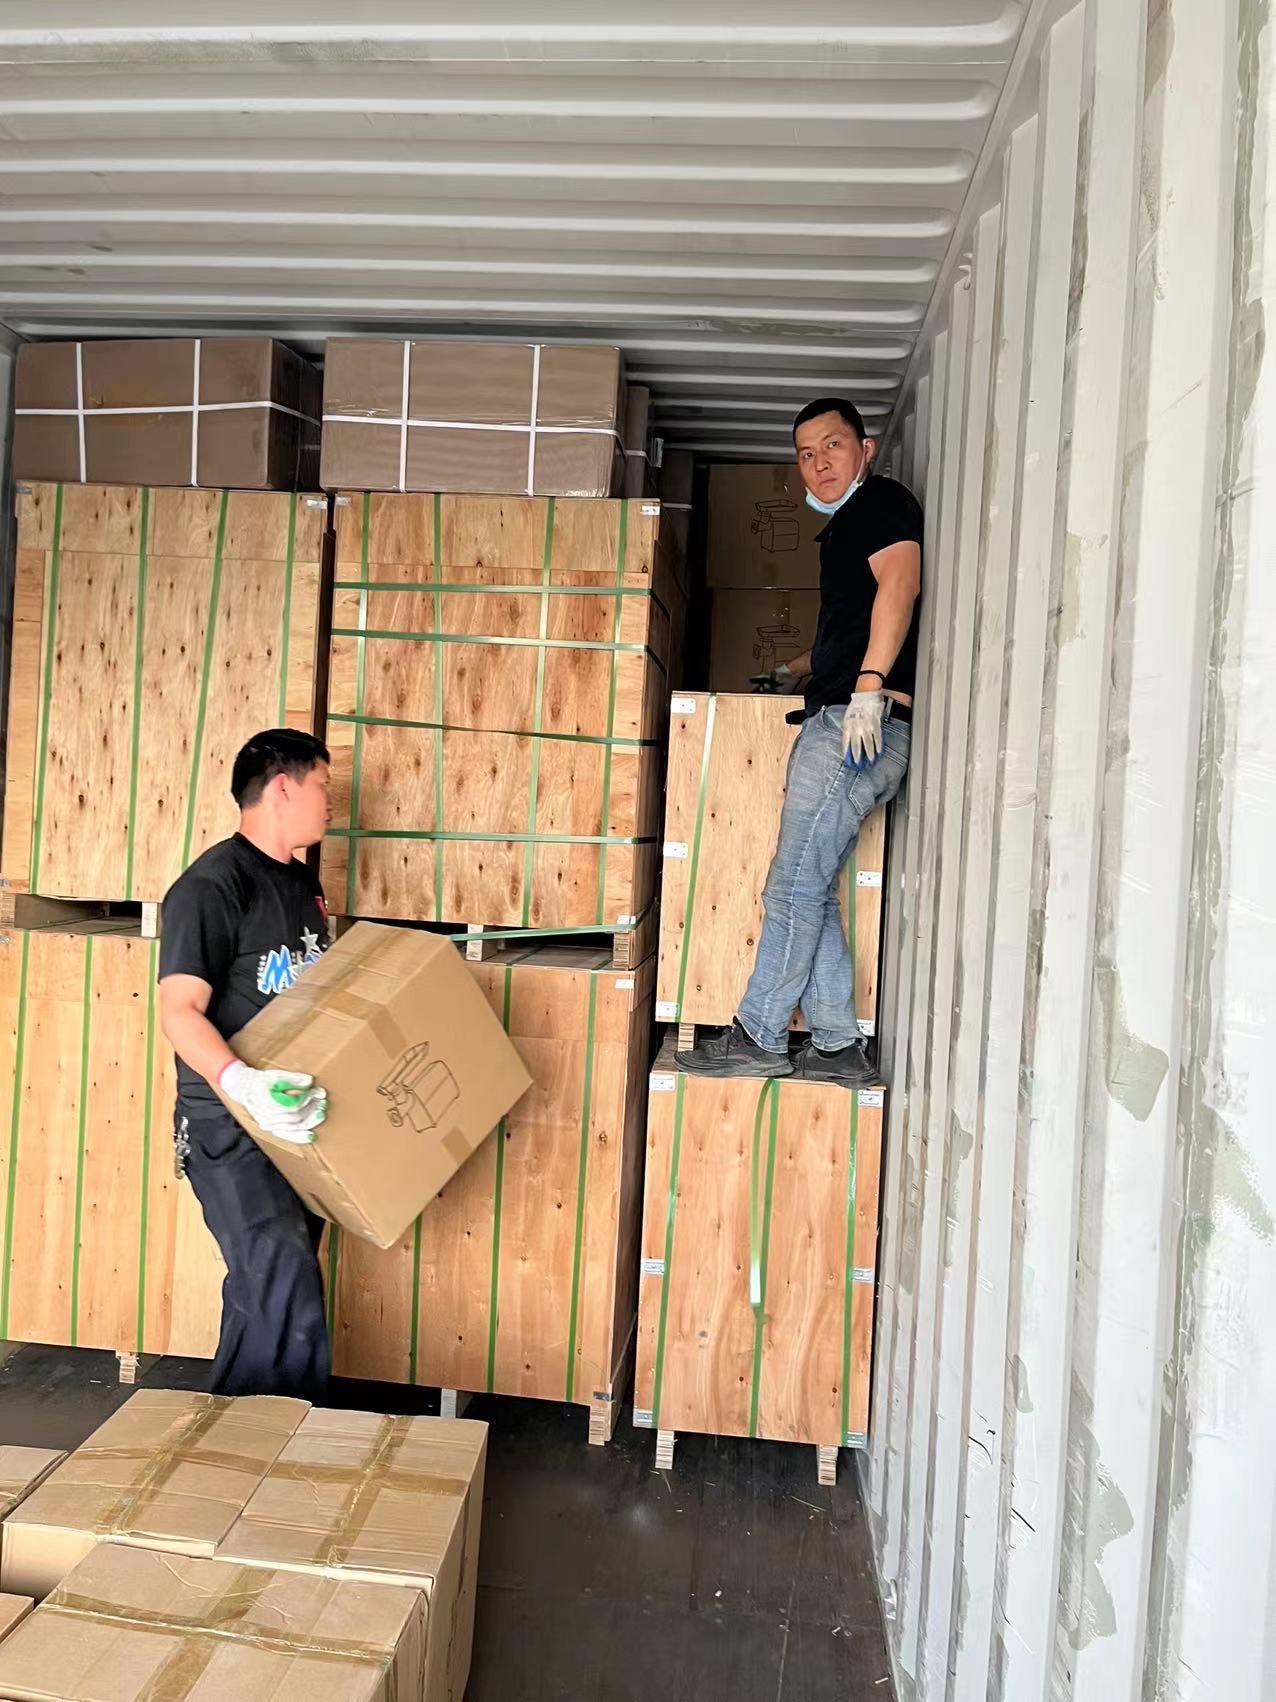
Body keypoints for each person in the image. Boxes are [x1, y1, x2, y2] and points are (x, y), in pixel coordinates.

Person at [677, 398, 922, 1085]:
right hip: (855, 713)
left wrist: (867, 686)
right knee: (808, 888)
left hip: (857, 724)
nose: (819, 463)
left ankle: (758, 1034)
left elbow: (899, 586)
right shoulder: (848, 524)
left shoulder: (880, 505)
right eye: (806, 455)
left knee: (790, 888)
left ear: (865, 448)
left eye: (832, 446)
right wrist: (796, 670)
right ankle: (839, 1047)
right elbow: (854, 619)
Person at [158, 728, 335, 1397]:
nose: (330, 805)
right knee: (282, 1275)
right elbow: (179, 1012)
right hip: (229, 1125)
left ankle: (230, 1446)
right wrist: (242, 1083)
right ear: (283, 787)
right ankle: (282, 1448)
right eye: (323, 786)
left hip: (291, 1117)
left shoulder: (301, 883)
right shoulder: (211, 886)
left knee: (268, 1284)